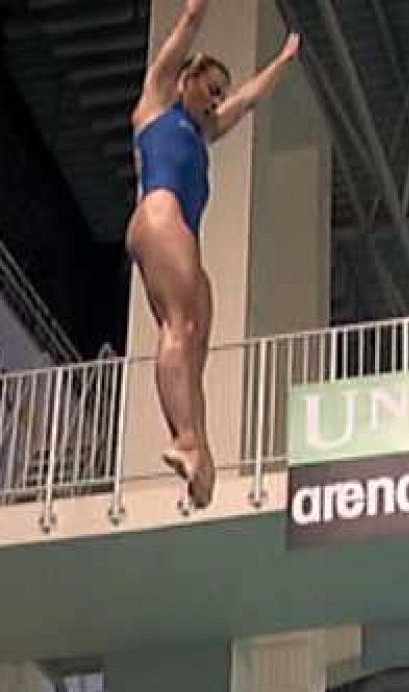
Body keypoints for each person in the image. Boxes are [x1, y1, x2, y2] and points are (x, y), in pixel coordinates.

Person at [128, 0, 301, 508]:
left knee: (197, 342)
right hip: (159, 216)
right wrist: (194, 13)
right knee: (178, 326)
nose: (216, 99)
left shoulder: (204, 132)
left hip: (184, 229)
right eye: (211, 87)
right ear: (189, 78)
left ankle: (196, 448)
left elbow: (247, 102)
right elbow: (185, 28)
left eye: (219, 94)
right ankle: (183, 438)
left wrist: (283, 61)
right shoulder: (156, 105)